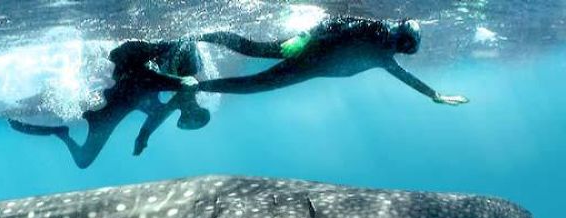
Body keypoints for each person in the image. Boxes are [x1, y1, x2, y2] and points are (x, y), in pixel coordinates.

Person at [8, 40, 208, 169]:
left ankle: (61, 133)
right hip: (122, 91)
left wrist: (142, 136)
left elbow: (159, 115)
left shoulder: (180, 96)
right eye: (190, 114)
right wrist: (180, 83)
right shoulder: (187, 82)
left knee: (83, 160)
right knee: (83, 159)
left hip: (129, 100)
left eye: (186, 117)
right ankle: (28, 108)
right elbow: (146, 80)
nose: (186, 111)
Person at [195, 16, 469, 105]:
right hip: (306, 50)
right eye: (400, 43)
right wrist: (303, 37)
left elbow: (405, 76)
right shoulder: (377, 31)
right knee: (253, 52)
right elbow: (333, 23)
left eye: (399, 47)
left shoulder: (384, 55)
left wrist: (435, 95)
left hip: (309, 65)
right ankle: (199, 35)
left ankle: (195, 86)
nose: (394, 47)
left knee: (256, 82)